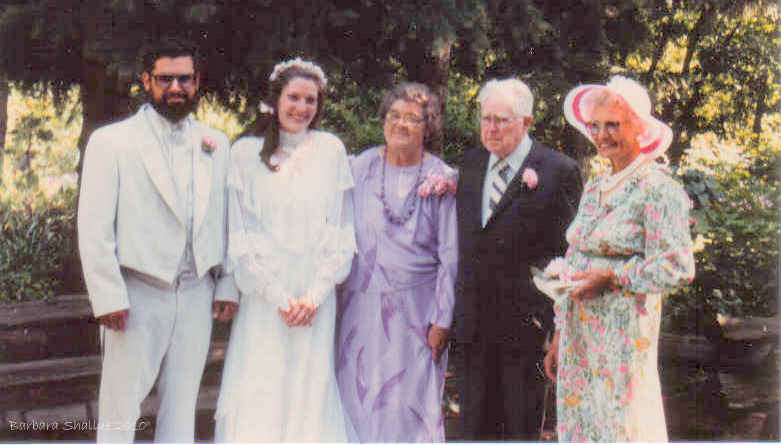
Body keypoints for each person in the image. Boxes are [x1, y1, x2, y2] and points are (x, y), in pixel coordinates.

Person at [77, 38, 238, 443]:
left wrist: (227, 282)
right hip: (136, 292)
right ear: (147, 81)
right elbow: (94, 227)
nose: (176, 88)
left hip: (197, 291)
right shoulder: (112, 142)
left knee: (182, 405)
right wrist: (108, 295)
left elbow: (229, 220)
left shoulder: (216, 143)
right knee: (120, 406)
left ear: (197, 82)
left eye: (184, 79)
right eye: (165, 79)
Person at [541, 75, 696, 442]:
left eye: (613, 125)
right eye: (595, 126)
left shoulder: (658, 189)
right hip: (580, 335)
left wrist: (613, 278)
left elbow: (678, 267)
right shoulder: (595, 185)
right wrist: (560, 334)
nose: (602, 135)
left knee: (622, 425)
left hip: (622, 339)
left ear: (638, 128)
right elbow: (574, 256)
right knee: (581, 425)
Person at [214, 58, 355, 442]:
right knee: (263, 387)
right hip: (266, 299)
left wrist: (313, 297)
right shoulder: (245, 153)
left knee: (309, 390)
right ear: (275, 99)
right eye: (294, 97)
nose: (302, 108)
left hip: (314, 299)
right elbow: (239, 238)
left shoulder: (331, 150)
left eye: (311, 100)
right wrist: (279, 298)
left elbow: (342, 233)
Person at [454, 78, 582, 440]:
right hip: (473, 328)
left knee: (518, 430)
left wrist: (556, 329)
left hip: (526, 332)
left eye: (502, 120)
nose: (491, 128)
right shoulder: (470, 165)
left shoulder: (558, 171)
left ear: (526, 123)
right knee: (472, 431)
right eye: (486, 118)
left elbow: (568, 255)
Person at [336, 83, 458, 442]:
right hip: (358, 311)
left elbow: (450, 256)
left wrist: (443, 319)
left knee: (409, 407)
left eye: (413, 119)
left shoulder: (442, 179)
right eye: (394, 116)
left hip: (416, 316)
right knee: (356, 400)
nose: (401, 124)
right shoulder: (357, 168)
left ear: (429, 127)